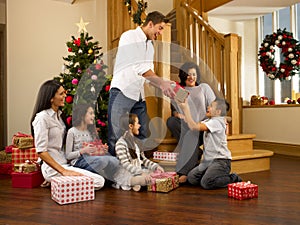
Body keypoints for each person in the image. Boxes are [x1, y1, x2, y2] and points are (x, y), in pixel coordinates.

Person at [108, 11, 176, 156]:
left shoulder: (150, 46)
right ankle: (114, 176)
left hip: (138, 94)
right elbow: (139, 67)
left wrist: (162, 83)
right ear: (150, 24)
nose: (160, 32)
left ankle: (140, 169)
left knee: (143, 133)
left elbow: (147, 73)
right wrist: (160, 82)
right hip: (122, 91)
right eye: (160, 28)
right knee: (116, 135)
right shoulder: (129, 36)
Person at [30, 80, 105, 190]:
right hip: (53, 168)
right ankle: (57, 182)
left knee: (100, 176)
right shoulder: (42, 118)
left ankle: (59, 184)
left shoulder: (59, 116)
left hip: (64, 164)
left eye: (64, 92)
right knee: (99, 181)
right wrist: (64, 172)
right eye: (61, 94)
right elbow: (41, 151)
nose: (65, 95)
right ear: (51, 98)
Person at [65, 103, 138, 190]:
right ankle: (86, 176)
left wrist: (102, 149)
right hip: (78, 161)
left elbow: (94, 150)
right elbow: (68, 156)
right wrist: (83, 151)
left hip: (92, 159)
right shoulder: (72, 131)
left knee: (115, 160)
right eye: (91, 113)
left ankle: (114, 179)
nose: (94, 115)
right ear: (82, 115)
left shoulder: (90, 131)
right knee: (103, 161)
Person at [166, 62, 216, 183]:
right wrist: (179, 115)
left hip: (200, 125)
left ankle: (183, 172)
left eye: (194, 74)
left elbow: (214, 105)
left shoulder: (203, 87)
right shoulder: (181, 91)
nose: (191, 77)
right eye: (188, 74)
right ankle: (196, 151)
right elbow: (176, 111)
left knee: (191, 135)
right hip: (187, 124)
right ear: (183, 76)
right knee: (172, 121)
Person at [177, 98, 242, 189]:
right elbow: (194, 124)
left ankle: (233, 178)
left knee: (206, 183)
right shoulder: (209, 121)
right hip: (208, 161)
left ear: (218, 112)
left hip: (221, 161)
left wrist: (186, 109)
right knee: (191, 178)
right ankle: (210, 174)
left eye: (211, 106)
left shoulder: (217, 122)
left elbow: (194, 126)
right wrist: (184, 116)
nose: (208, 107)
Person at [115, 113, 165, 191]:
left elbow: (144, 159)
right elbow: (125, 164)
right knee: (146, 180)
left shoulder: (136, 142)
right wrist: (141, 173)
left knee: (155, 174)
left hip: (138, 172)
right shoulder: (120, 143)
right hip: (128, 175)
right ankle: (137, 183)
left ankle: (137, 185)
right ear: (130, 126)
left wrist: (156, 166)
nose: (139, 125)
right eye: (137, 123)